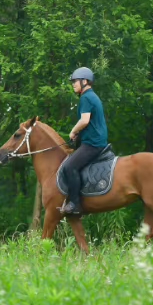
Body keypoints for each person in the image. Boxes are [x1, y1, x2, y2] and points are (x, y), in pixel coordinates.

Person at [59, 67, 109, 216]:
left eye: (75, 81)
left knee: (69, 167)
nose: (73, 84)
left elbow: (85, 120)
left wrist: (74, 131)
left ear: (85, 81)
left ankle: (75, 204)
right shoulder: (92, 96)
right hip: (95, 140)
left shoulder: (86, 97)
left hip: (93, 143)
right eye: (73, 82)